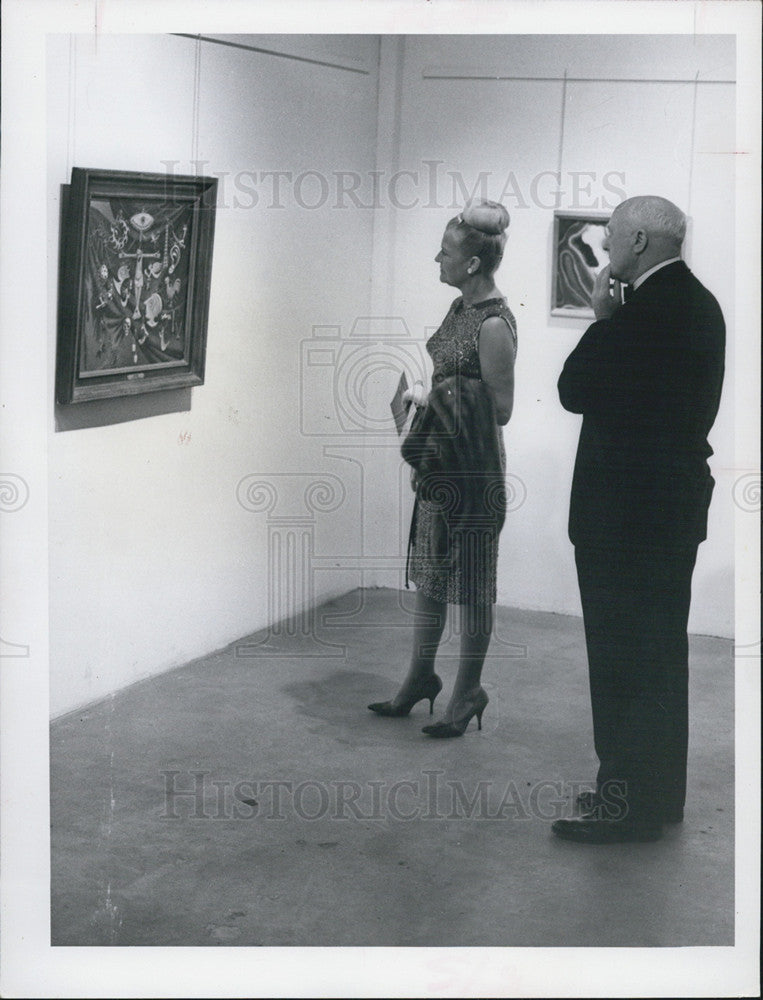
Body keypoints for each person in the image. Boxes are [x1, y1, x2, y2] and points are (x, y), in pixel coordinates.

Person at [552, 195, 725, 843]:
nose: (605, 248)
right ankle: (653, 797)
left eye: (612, 237)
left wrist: (601, 319)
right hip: (665, 512)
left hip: (625, 519)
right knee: (656, 657)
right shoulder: (697, 304)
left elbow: (574, 390)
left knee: (623, 659)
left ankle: (622, 802)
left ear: (642, 243)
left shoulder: (641, 312)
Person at [368, 199, 517, 737]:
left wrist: (435, 396)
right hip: (443, 460)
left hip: (474, 470)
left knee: (473, 582)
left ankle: (467, 692)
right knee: (431, 575)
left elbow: (501, 407)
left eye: (447, 251)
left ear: (473, 264)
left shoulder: (494, 323)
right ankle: (420, 678)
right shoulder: (460, 309)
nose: (438, 257)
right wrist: (420, 399)